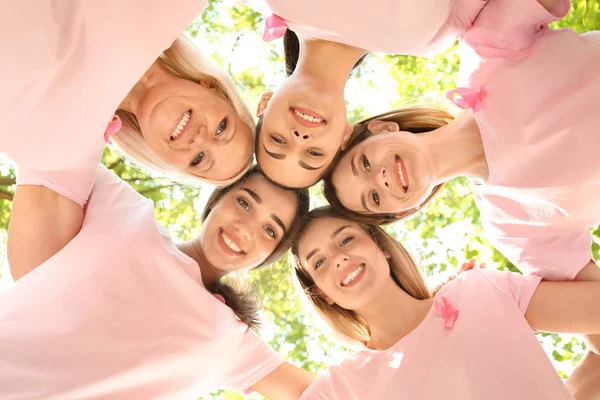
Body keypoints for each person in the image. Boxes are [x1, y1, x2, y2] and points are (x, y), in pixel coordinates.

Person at [0, 165, 313, 400]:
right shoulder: (125, 210)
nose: (246, 228)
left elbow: (324, 394)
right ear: (217, 197)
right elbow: (53, 136)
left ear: (269, 257)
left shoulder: (230, 340)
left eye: (270, 231)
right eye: (245, 203)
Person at [2, 1, 257, 276]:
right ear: (212, 87)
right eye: (222, 128)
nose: (200, 140)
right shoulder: (168, 8)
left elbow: (34, 275)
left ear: (167, 161)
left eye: (198, 159)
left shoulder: (71, 149)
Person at [249, 0, 568, 188]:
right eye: (314, 155)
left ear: (264, 103)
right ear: (344, 136)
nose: (299, 140)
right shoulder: (428, 40)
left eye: (277, 141)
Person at [292, 207, 600, 399]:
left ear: (381, 245)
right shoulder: (343, 386)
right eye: (318, 262)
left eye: (345, 239)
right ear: (323, 295)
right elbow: (248, 362)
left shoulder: (480, 290)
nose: (339, 258)